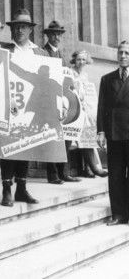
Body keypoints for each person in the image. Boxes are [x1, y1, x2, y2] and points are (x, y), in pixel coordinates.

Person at [0, 8, 47, 207]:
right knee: (8, 147)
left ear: (30, 30)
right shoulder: (4, 49)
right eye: (16, 27)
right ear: (12, 29)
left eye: (23, 27)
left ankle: (22, 188)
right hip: (9, 105)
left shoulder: (40, 53)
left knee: (26, 145)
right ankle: (6, 189)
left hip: (29, 107)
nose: (19, 31)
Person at [42, 21, 80, 184]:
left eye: (59, 34)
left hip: (61, 101)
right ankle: (52, 174)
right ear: (48, 36)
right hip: (48, 100)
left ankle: (63, 171)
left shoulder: (62, 57)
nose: (56, 37)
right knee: (51, 138)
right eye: (53, 34)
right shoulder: (43, 53)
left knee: (65, 136)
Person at [96, 41, 129, 226]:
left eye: (126, 53)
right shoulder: (107, 79)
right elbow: (101, 107)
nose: (123, 56)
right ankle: (118, 214)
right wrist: (100, 131)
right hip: (114, 134)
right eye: (120, 52)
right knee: (115, 175)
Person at [71, 50, 107, 178]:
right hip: (73, 108)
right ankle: (93, 167)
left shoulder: (85, 75)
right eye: (78, 59)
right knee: (83, 135)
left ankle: (89, 168)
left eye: (83, 60)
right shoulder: (71, 73)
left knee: (88, 133)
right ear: (74, 60)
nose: (81, 62)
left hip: (84, 108)